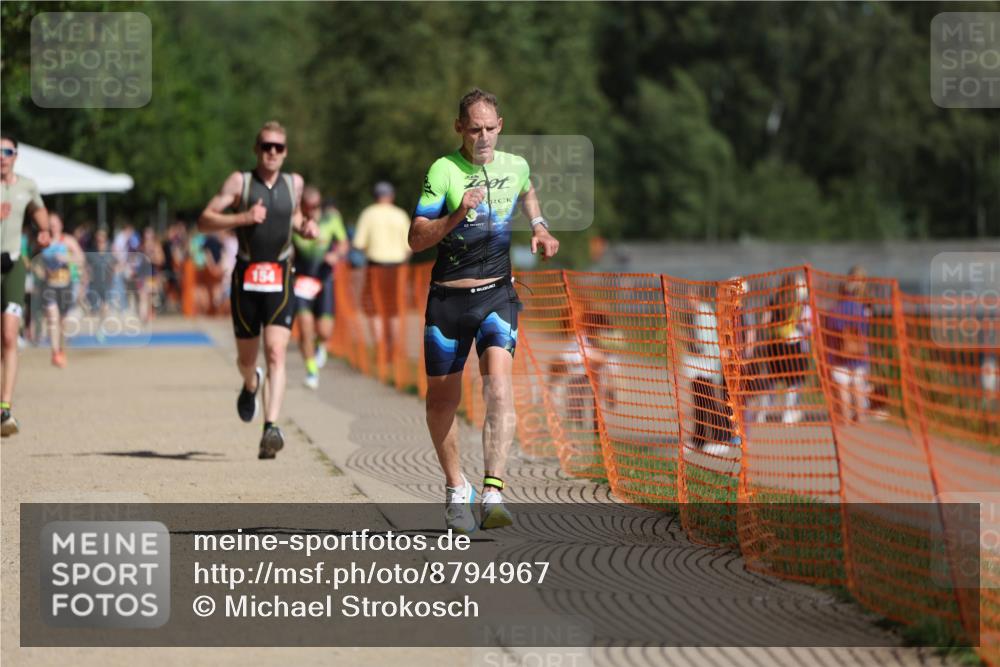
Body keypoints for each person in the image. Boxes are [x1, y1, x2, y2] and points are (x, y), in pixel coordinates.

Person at [409, 88, 560, 533]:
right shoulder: (444, 170)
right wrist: (457, 213)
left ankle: (493, 491)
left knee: (499, 386)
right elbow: (416, 238)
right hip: (447, 301)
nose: (483, 137)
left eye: (491, 128)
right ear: (459, 127)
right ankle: (458, 488)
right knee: (441, 402)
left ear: (501, 126)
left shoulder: (515, 165)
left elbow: (527, 189)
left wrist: (539, 226)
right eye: (474, 129)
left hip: (497, 295)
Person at [199, 120, 318, 459]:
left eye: (278, 147)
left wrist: (305, 227)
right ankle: (251, 383)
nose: (272, 152)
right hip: (246, 278)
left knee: (277, 351)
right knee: (246, 360)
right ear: (257, 149)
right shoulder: (241, 182)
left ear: (285, 152)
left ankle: (271, 428)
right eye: (266, 146)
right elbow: (205, 219)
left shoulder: (294, 183)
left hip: (280, 275)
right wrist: (242, 218)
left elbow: (292, 217)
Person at [0, 135, 50, 436]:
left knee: (9, 335)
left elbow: (39, 211)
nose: (1, 156)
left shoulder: (27, 186)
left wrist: (44, 231)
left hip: (13, 264)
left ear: (16, 155)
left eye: (7, 151)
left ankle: (4, 408)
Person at [292, 186, 347, 389]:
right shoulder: (295, 223)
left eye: (316, 206)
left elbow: (343, 244)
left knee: (324, 331)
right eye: (308, 207)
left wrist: (336, 254)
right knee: (305, 329)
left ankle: (319, 345)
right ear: (302, 207)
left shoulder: (331, 219)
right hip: (302, 281)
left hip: (324, 280)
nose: (313, 210)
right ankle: (311, 371)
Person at [353, 181, 411, 362]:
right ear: (391, 196)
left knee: (374, 309)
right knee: (393, 310)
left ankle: (380, 350)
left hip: (375, 266)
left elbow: (359, 244)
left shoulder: (368, 214)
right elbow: (410, 245)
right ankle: (392, 351)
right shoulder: (400, 215)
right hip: (397, 267)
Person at [758, 273, 813, 424]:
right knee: (793, 382)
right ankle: (788, 414)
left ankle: (762, 413)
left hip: (775, 344)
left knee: (772, 381)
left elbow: (764, 322)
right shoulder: (799, 304)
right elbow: (807, 325)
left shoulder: (774, 301)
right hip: (793, 345)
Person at [37, 212, 85, 367]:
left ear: (60, 225)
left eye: (55, 223)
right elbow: (35, 262)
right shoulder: (43, 241)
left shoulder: (68, 240)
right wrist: (40, 271)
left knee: (62, 322)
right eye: (49, 223)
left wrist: (67, 259)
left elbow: (81, 259)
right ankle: (55, 352)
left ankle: (60, 349)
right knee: (52, 317)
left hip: (65, 285)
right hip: (49, 285)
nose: (52, 226)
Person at [824, 266, 871, 423]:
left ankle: (844, 417)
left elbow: (829, 332)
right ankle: (860, 417)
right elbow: (865, 330)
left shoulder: (834, 311)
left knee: (842, 388)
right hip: (858, 355)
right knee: (858, 386)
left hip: (839, 355)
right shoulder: (861, 310)